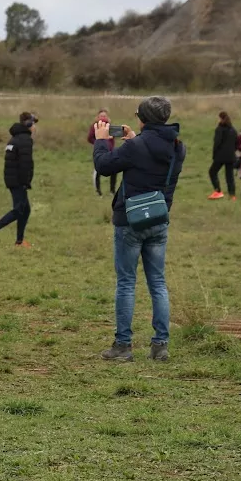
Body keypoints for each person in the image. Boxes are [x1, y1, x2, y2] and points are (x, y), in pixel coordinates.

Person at [93, 96, 185, 361]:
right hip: (159, 218)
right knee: (157, 282)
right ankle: (160, 345)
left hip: (130, 220)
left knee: (126, 283)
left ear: (142, 119)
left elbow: (104, 166)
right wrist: (133, 140)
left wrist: (101, 140)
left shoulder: (136, 146)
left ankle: (122, 346)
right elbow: (151, 158)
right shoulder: (178, 146)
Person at [0, 112, 37, 248]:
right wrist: (25, 182)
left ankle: (19, 241)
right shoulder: (25, 140)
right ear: (28, 124)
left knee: (26, 209)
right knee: (19, 209)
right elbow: (25, 163)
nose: (35, 126)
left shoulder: (15, 138)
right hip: (19, 180)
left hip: (13, 179)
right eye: (33, 123)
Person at [208, 111, 239, 200]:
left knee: (212, 172)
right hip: (231, 156)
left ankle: (218, 191)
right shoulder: (233, 129)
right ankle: (232, 195)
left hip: (220, 156)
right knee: (229, 176)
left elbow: (217, 143)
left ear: (220, 118)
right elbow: (237, 142)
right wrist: (233, 151)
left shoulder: (219, 129)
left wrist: (214, 155)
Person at [88, 109, 118, 196]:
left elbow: (114, 137)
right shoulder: (94, 127)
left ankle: (112, 191)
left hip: (110, 151)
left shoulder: (110, 126)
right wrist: (98, 142)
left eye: (105, 116)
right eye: (101, 116)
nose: (103, 117)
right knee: (98, 171)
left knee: (114, 171)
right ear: (98, 117)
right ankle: (98, 191)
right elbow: (89, 138)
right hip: (100, 151)